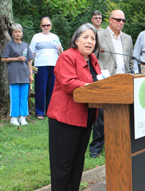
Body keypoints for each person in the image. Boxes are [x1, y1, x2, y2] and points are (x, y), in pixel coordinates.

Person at [47, 23, 101, 191]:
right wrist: (92, 87)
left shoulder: (93, 59)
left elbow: (100, 80)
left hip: (86, 118)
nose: (89, 41)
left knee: (77, 163)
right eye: (85, 37)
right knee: (63, 165)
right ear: (76, 40)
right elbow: (68, 83)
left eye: (93, 38)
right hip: (66, 119)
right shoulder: (67, 56)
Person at [89, 10, 133, 158]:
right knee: (101, 117)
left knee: (121, 116)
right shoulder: (99, 36)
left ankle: (119, 143)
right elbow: (92, 59)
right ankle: (96, 147)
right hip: (105, 82)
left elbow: (131, 60)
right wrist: (96, 78)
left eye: (123, 20)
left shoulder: (127, 38)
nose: (121, 22)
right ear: (110, 20)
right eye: (118, 19)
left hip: (123, 83)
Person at [30, 16, 63, 120]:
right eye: (44, 25)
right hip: (40, 65)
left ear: (51, 26)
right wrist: (32, 67)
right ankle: (40, 111)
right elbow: (31, 53)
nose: (46, 27)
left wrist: (60, 49)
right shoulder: (36, 37)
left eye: (48, 25)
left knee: (52, 89)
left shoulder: (55, 37)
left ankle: (50, 110)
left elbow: (61, 53)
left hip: (53, 65)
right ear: (41, 26)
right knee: (40, 89)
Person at [1, 23, 34, 126]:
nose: (17, 33)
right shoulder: (9, 45)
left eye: (19, 31)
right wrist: (16, 58)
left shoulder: (25, 45)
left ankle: (23, 117)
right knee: (14, 96)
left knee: (24, 96)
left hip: (25, 74)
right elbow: (3, 59)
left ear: (22, 33)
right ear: (12, 34)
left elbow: (30, 60)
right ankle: (14, 117)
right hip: (14, 75)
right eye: (15, 32)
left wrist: (30, 74)